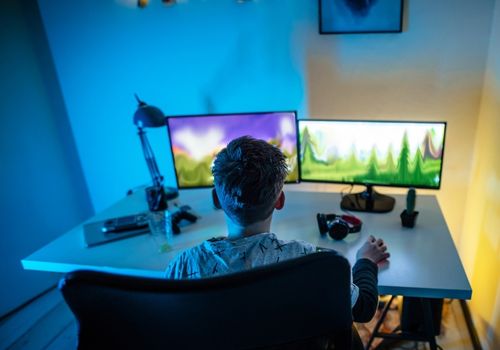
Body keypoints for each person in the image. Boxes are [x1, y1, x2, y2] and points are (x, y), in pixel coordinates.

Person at [165, 135, 389, 323]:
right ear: (280, 200)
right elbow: (364, 309)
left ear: (216, 199)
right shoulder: (313, 262)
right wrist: (366, 261)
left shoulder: (183, 267)